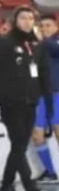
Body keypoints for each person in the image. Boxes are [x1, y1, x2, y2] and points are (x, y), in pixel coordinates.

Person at [0, 7, 51, 191]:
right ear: (15, 21)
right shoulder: (3, 43)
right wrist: (4, 95)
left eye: (31, 18)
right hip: (11, 104)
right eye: (23, 18)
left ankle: (6, 187)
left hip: (31, 102)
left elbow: (44, 73)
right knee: (19, 143)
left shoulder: (37, 45)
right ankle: (30, 187)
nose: (28, 21)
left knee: (18, 145)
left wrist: (46, 100)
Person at [31, 14, 59, 182]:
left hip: (56, 95)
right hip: (40, 96)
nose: (44, 29)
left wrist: (41, 40)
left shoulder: (53, 43)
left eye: (48, 25)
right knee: (37, 136)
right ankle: (50, 173)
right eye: (42, 26)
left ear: (56, 27)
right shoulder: (38, 46)